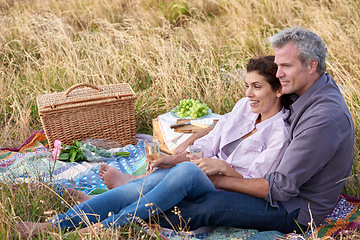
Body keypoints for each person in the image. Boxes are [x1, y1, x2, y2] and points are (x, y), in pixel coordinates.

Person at [15, 56, 292, 237]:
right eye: (247, 85)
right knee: (144, 185)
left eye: (257, 87)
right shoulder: (244, 107)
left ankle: (103, 228)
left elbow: (258, 180)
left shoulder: (280, 131)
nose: (248, 94)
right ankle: (55, 225)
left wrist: (223, 167)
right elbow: (209, 141)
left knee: (185, 173)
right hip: (201, 172)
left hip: (224, 188)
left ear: (278, 90)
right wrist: (170, 158)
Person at [151, 26, 355, 233]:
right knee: (179, 180)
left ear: (312, 66)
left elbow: (278, 189)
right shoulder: (300, 90)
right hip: (277, 188)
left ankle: (133, 217)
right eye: (277, 66)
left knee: (212, 204)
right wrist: (192, 139)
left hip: (296, 209)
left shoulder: (323, 117)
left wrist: (217, 178)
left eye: (286, 66)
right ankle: (135, 196)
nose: (278, 74)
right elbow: (226, 122)